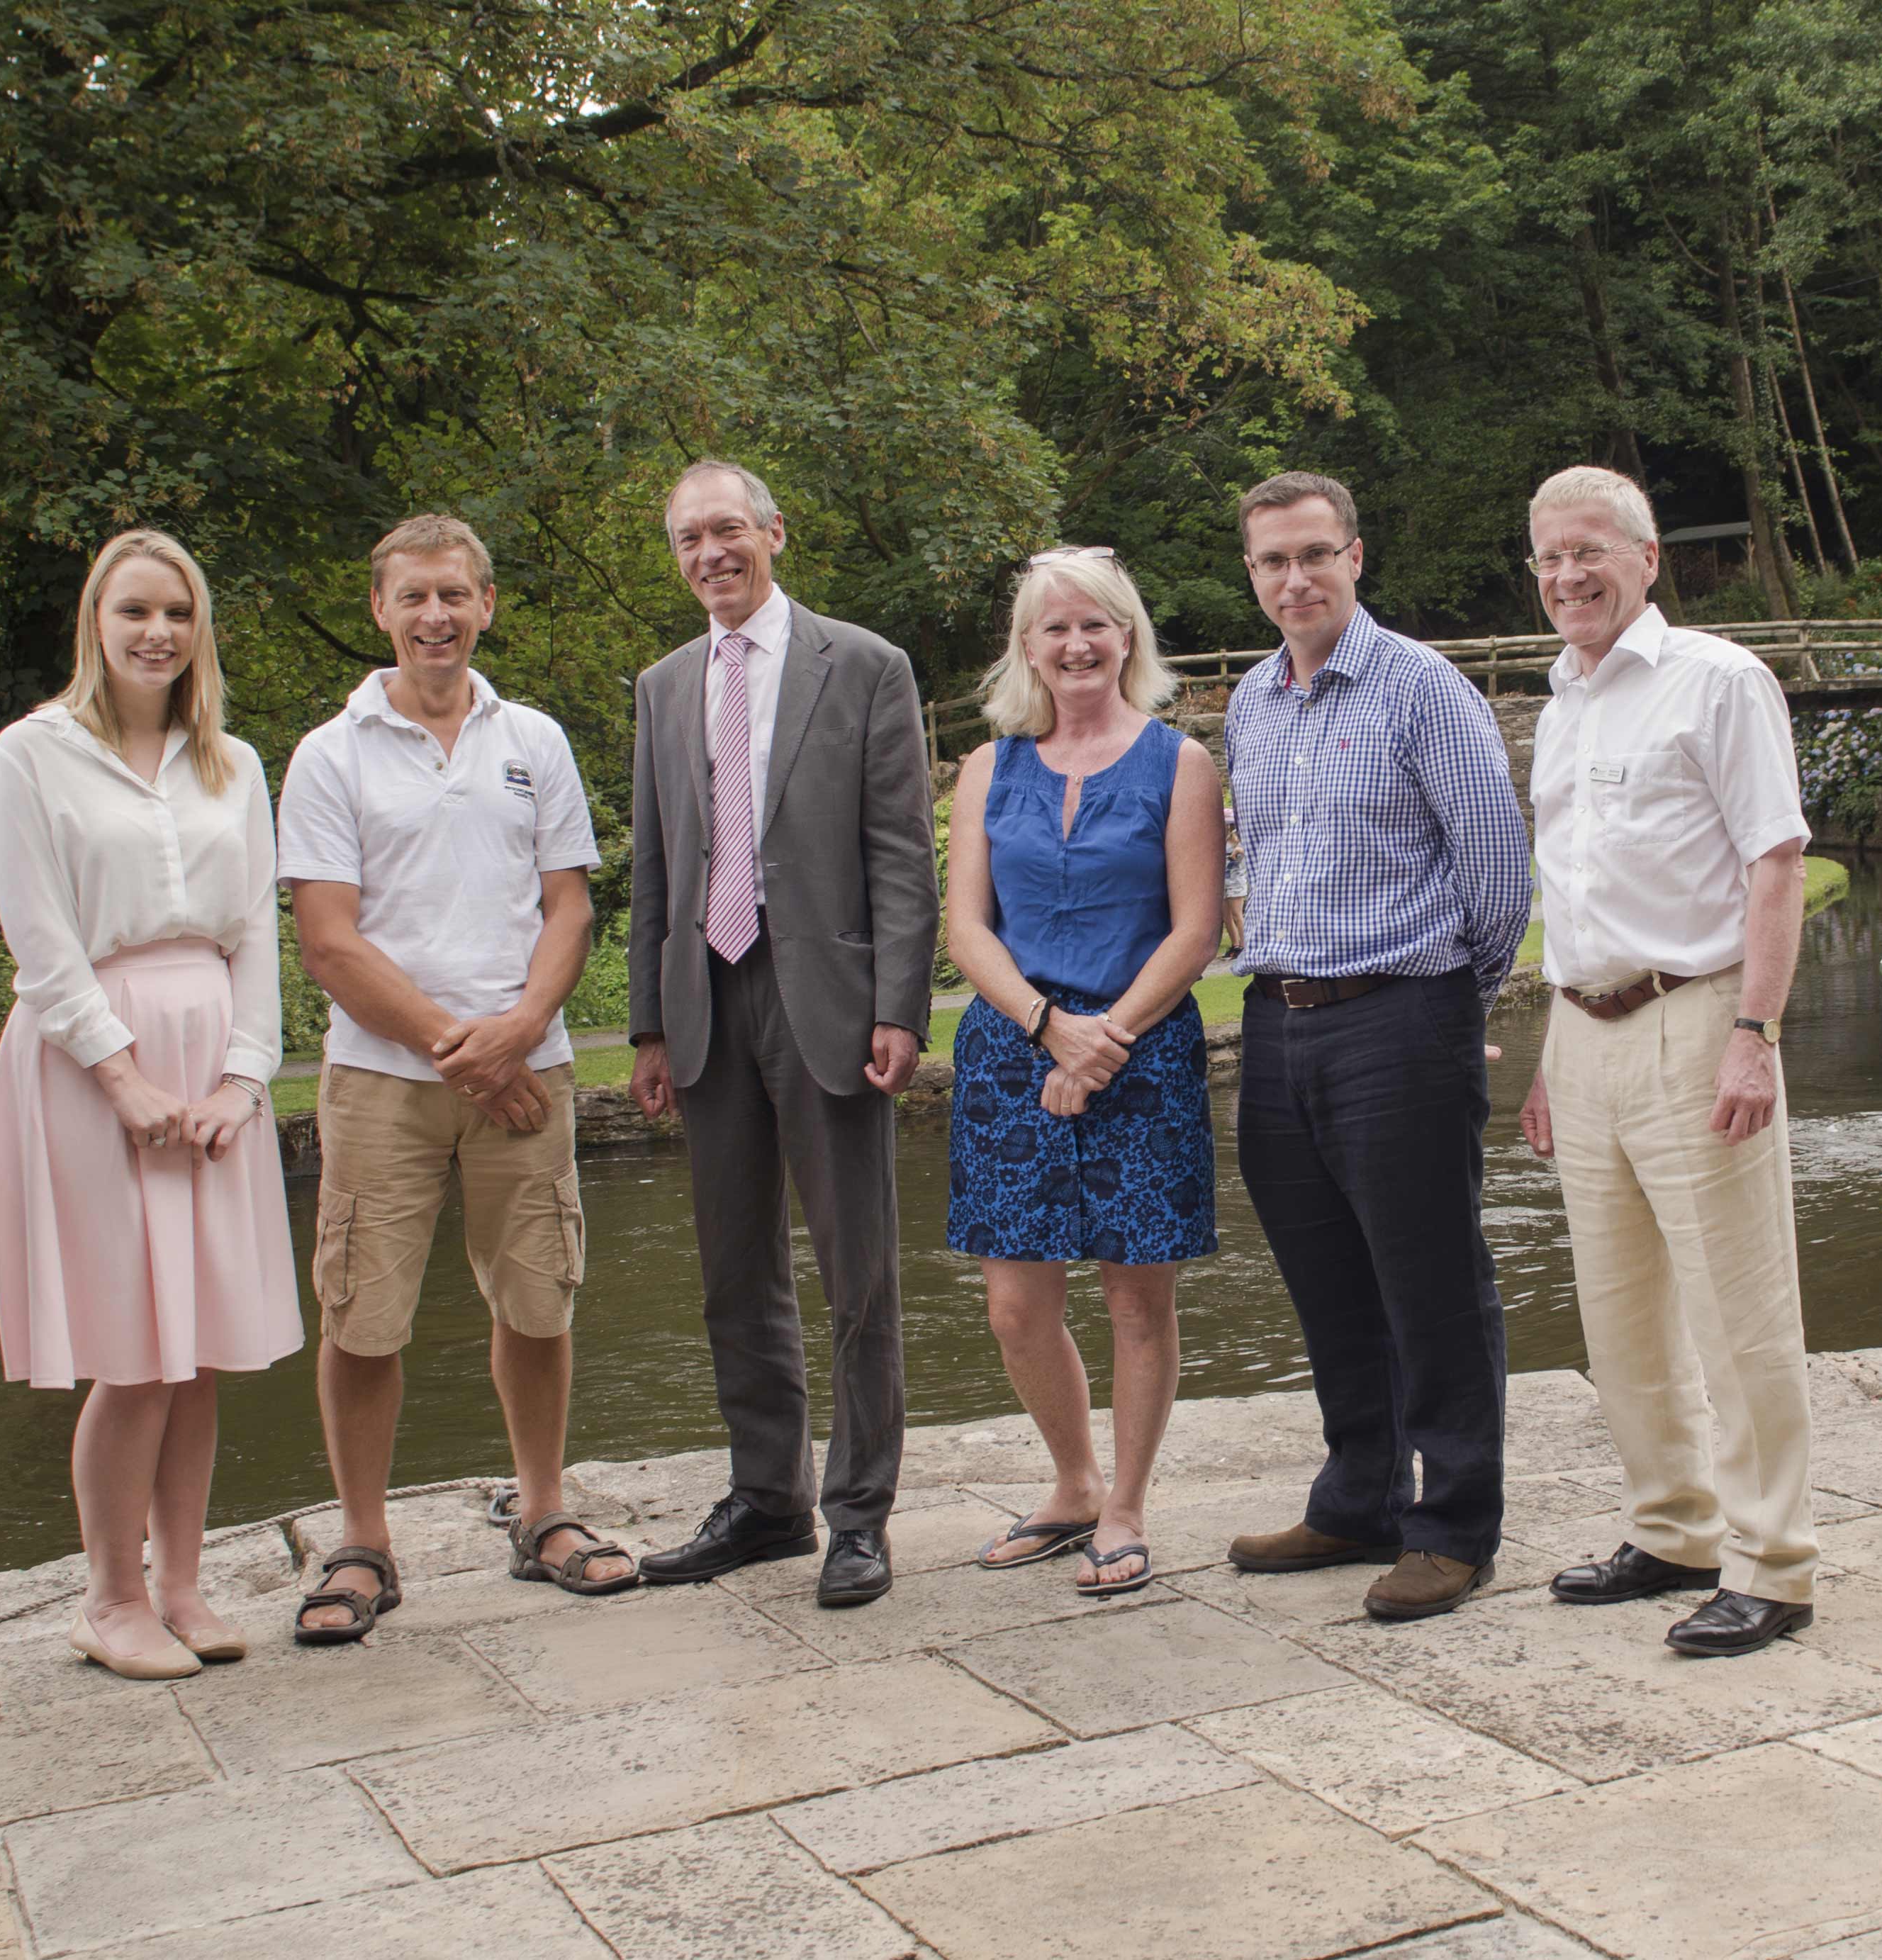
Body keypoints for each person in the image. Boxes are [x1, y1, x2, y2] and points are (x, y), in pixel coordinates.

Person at [276, 513, 631, 1636]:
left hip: (531, 1063)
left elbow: (569, 902)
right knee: (362, 1314)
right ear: (379, 608)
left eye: (456, 596)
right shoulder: (329, 755)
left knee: (538, 1296)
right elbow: (328, 940)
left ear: (487, 604)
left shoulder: (535, 739)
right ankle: (363, 1544)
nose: (437, 617)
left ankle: (543, 1513)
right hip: (384, 1079)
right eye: (414, 597)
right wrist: (465, 1052)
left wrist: (522, 1026)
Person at [0, 530, 303, 1681]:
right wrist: (118, 1073)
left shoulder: (231, 763)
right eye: (133, 611)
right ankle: (109, 1598)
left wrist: (243, 1077)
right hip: (88, 1060)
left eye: (176, 611)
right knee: (134, 1347)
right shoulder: (32, 754)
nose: (156, 632)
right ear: (95, 621)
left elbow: (257, 932)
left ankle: (180, 1583)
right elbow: (39, 936)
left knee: (200, 1342)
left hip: (210, 1051)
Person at [1514, 464, 1818, 1657]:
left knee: (1736, 1307)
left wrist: (1754, 1033)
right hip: (1582, 1033)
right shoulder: (1562, 703)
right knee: (1618, 1313)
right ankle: (1671, 1527)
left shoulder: (1716, 682)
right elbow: (1575, 902)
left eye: (1589, 550)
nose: (1566, 576)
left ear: (1647, 558)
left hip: (1697, 1022)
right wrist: (1548, 1055)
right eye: (1547, 557)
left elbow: (1775, 864)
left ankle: (1772, 1563)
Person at [1219, 471, 1531, 1625]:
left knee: (1432, 1282)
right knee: (1327, 1281)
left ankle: (1452, 1527)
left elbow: (1496, 875)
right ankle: (1357, 1495)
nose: (1292, 578)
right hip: (1278, 1021)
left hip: (1401, 1008)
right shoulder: (1250, 702)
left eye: (1312, 554)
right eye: (1270, 562)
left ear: (1355, 556)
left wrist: (1449, 1006)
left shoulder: (1420, 690)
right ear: (1251, 577)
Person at [628, 459, 939, 1610]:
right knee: (731, 1273)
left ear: (772, 534)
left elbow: (902, 854)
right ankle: (767, 1502)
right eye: (686, 540)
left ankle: (859, 1514)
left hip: (828, 1005)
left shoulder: (860, 667)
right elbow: (655, 869)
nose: (708, 552)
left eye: (726, 530)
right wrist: (647, 1027)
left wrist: (900, 1006)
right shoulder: (663, 687)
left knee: (856, 1272)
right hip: (707, 1001)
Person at [946, 548, 1224, 1598]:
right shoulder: (988, 768)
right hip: (1013, 1054)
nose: (1077, 644)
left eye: (1097, 625)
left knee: (1136, 1299)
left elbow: (1195, 928)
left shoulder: (1179, 764)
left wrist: (1103, 1036)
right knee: (1016, 1304)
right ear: (1027, 646)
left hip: (1142, 1053)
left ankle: (1128, 1505)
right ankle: (1071, 1483)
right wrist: (1047, 1027)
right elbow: (966, 925)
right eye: (1056, 628)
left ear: (1128, 638)